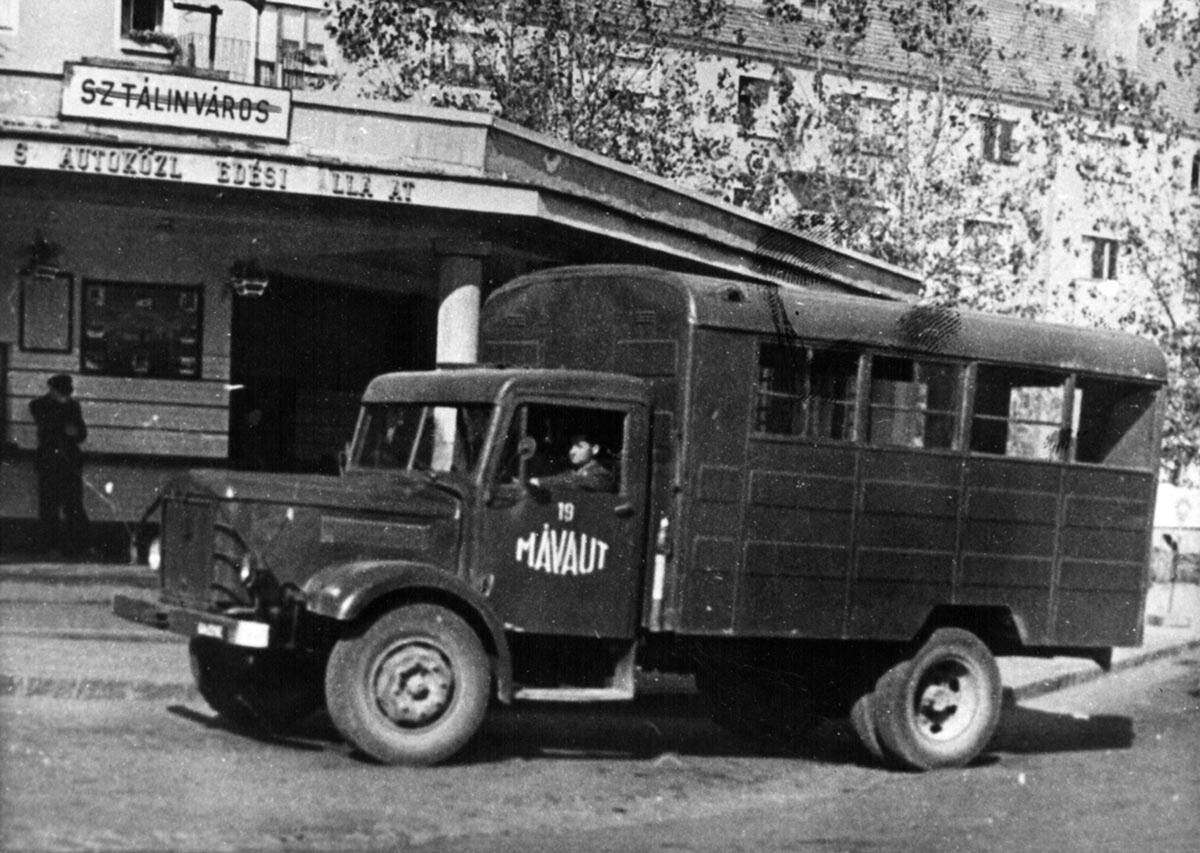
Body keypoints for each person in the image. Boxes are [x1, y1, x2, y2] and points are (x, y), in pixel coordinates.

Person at [29, 374, 88, 556]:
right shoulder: (39, 405)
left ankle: (76, 546)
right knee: (49, 507)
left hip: (69, 462)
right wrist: (67, 429)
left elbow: (82, 433)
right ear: (52, 390)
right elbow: (49, 427)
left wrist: (72, 431)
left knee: (74, 505)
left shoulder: (73, 406)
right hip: (50, 462)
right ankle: (49, 546)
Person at [532, 432, 614, 492]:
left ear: (594, 449)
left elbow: (577, 483)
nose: (572, 451)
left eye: (579, 446)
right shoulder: (572, 471)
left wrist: (541, 482)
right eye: (572, 445)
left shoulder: (602, 473)